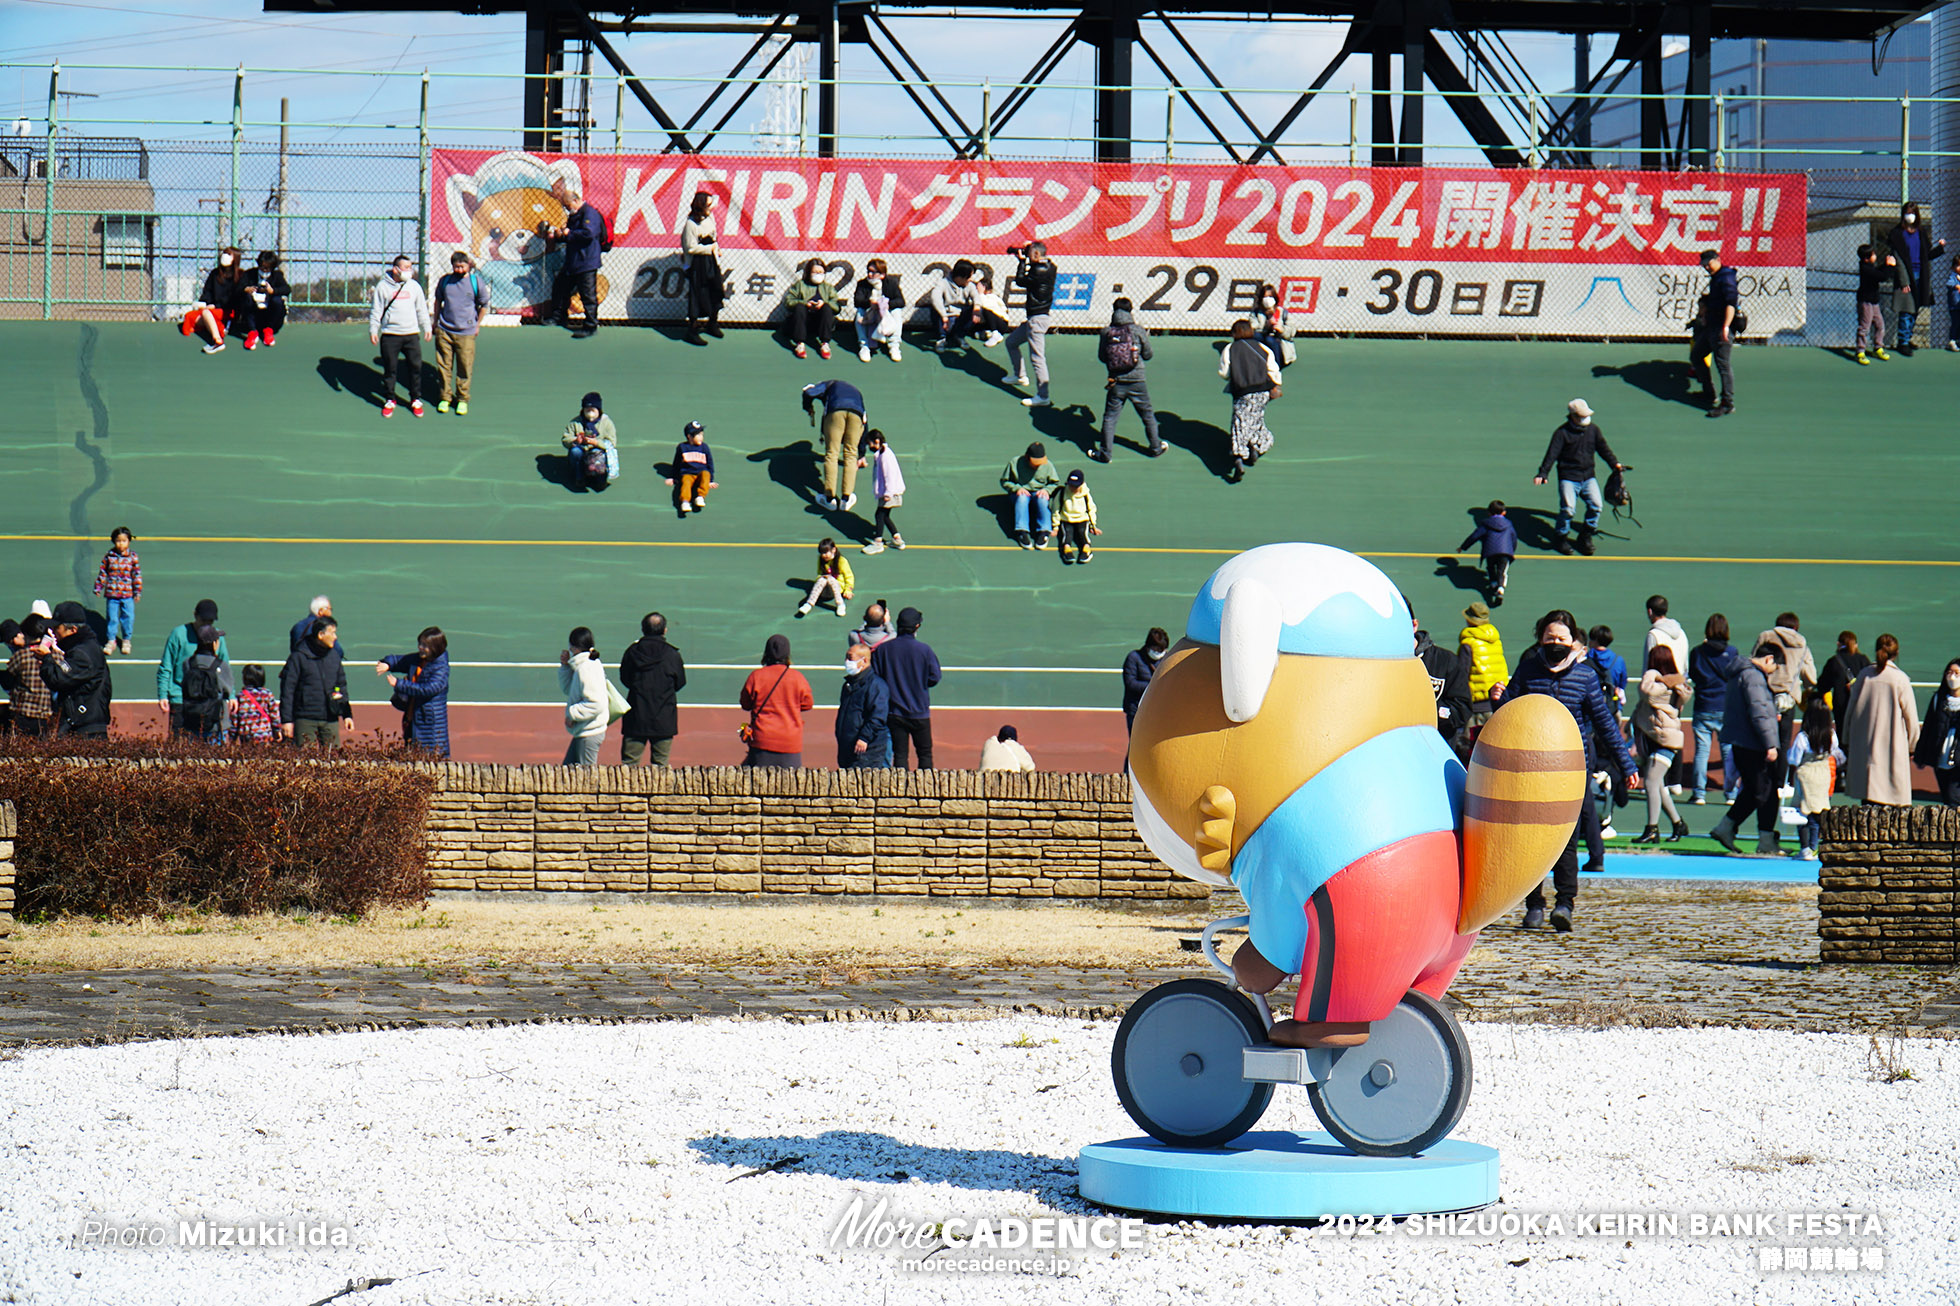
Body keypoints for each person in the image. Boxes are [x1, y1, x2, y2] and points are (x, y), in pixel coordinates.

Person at [1496, 609, 1638, 931]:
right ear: (1540, 639)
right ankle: (1534, 905)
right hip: (1531, 771)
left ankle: (1564, 904)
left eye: (1561, 639)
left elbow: (1605, 724)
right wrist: (1498, 699)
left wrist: (1626, 763)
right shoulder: (1529, 669)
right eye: (1549, 638)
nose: (1555, 643)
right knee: (1530, 842)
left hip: (1571, 774)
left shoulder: (1585, 675)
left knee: (1566, 842)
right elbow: (1509, 711)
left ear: (1573, 640)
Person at [1709, 641, 1784, 854]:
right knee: (1766, 792)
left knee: (1754, 790)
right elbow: (1759, 712)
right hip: (1753, 743)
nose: (1774, 672)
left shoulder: (1740, 673)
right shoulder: (1754, 678)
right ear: (1769, 659)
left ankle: (1727, 827)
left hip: (1742, 741)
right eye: (1775, 666)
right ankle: (1765, 839)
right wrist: (1770, 743)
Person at [1534, 398, 1623, 556]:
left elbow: (1603, 449)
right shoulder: (1561, 433)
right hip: (1568, 477)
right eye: (1581, 416)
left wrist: (1614, 464)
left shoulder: (1593, 430)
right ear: (1573, 416)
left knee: (1596, 506)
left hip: (1588, 476)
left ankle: (1585, 536)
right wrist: (1543, 473)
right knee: (1568, 510)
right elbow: (1551, 455)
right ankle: (1560, 538)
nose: (1585, 419)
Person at [1842, 633, 1920, 807]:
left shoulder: (1864, 675)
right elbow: (1911, 719)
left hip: (1864, 746)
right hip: (1893, 748)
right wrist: (1913, 745)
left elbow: (1851, 709)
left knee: (1868, 800)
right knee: (1892, 803)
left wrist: (1847, 737)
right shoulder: (1900, 679)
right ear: (1896, 652)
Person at [1630, 645, 1690, 844]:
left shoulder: (1664, 688)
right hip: (1656, 738)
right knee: (1659, 786)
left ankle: (1652, 828)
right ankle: (1678, 823)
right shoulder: (1668, 684)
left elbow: (1646, 692)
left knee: (1650, 782)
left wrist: (1651, 673)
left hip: (1666, 740)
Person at [872, 606, 940, 770]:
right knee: (925, 755)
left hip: (894, 713)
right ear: (916, 627)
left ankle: (901, 791)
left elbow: (876, 679)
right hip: (920, 713)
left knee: (900, 755)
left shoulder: (883, 650)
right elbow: (935, 677)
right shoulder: (925, 650)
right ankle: (926, 791)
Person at [1095, 297, 1161, 461]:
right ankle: (1155, 448)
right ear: (1130, 311)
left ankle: (1105, 453)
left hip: (1116, 382)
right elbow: (1148, 354)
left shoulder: (1106, 332)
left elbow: (1102, 357)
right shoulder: (1138, 330)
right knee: (1147, 415)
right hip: (1138, 381)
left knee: (1110, 418)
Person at [1688, 614, 1744, 805]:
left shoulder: (1697, 652)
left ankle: (1699, 794)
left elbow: (1694, 675)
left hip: (1703, 705)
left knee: (1701, 751)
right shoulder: (1732, 652)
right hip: (1725, 707)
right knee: (1728, 752)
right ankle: (1730, 794)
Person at [368, 254, 433, 418]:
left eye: (411, 267)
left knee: (415, 367)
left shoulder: (414, 286)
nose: (409, 271)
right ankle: (390, 399)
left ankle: (415, 399)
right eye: (406, 267)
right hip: (390, 335)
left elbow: (421, 309)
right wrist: (373, 330)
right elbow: (376, 310)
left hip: (411, 334)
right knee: (390, 369)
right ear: (396, 269)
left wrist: (427, 327)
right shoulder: (383, 286)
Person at [618, 612, 685, 767]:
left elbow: (625, 679)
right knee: (661, 768)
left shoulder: (632, 652)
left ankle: (626, 791)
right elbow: (680, 682)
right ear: (665, 630)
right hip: (664, 719)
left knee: (628, 766)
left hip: (635, 718)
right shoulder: (672, 655)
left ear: (643, 629)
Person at [1218, 320, 1281, 483]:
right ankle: (1257, 446)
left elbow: (1223, 373)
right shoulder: (1262, 348)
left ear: (1234, 333)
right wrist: (1276, 387)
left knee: (1239, 423)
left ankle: (1239, 456)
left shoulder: (1230, 349)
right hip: (1263, 392)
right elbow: (1273, 369)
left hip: (1242, 392)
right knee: (1256, 419)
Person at [37, 601, 111, 738]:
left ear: (73, 630)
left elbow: (58, 678)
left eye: (56, 627)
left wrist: (47, 658)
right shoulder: (84, 649)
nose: (52, 632)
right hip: (83, 723)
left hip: (85, 727)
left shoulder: (82, 654)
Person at [740, 635, 814, 769]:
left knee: (759, 785)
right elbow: (807, 704)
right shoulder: (798, 678)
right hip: (790, 742)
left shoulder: (756, 676)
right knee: (791, 785)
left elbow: (745, 704)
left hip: (762, 740)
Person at [547, 175, 607, 338]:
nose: (568, 209)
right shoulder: (575, 215)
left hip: (586, 261)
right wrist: (560, 235)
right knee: (561, 287)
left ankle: (590, 325)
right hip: (573, 260)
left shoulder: (589, 213)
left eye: (568, 206)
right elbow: (570, 235)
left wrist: (570, 233)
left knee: (587, 294)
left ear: (575, 201)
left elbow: (589, 234)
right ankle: (558, 317)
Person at [432, 249, 491, 415]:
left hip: (466, 332)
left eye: (462, 266)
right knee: (444, 366)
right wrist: (435, 322)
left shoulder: (476, 282)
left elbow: (484, 305)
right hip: (444, 330)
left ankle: (462, 399)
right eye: (455, 266)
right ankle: (445, 397)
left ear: (468, 265)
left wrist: (477, 324)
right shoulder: (445, 281)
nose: (458, 270)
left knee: (464, 366)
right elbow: (438, 301)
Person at [160, 599, 230, 737]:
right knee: (179, 746)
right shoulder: (178, 635)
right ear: (195, 615)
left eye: (210, 621)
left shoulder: (217, 637)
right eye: (203, 620)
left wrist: (231, 696)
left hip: (210, 703)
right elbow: (166, 667)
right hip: (181, 701)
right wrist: (163, 694)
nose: (206, 624)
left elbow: (225, 667)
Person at [1883, 200, 1946, 355]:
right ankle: (1902, 341)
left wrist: (1940, 248)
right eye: (1907, 213)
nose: (1909, 216)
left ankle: (1908, 336)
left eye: (1912, 213)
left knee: (1915, 308)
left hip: (1921, 275)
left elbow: (1927, 255)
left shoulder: (1921, 233)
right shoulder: (1897, 234)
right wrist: (1904, 281)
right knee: (1906, 309)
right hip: (1906, 276)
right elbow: (1898, 260)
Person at [378, 626, 450, 756]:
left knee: (432, 760)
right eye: (420, 643)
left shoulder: (441, 669)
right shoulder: (419, 659)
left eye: (425, 645)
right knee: (411, 755)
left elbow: (427, 689)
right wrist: (387, 664)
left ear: (435, 647)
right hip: (413, 719)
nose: (420, 647)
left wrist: (399, 684)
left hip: (429, 724)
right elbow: (400, 660)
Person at [1756, 611, 1818, 762]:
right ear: (1796, 628)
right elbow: (1810, 676)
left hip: (1764, 696)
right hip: (1788, 698)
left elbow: (1754, 662)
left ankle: (1762, 780)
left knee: (1761, 740)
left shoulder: (1765, 637)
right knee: (1784, 743)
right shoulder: (1802, 644)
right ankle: (1779, 782)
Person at [1411, 606, 1471, 760]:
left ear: (1414, 625)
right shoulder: (1378, 661)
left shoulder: (1446, 661)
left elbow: (1462, 709)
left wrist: (1431, 711)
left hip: (1435, 755)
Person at [281, 615, 350, 749]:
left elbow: (341, 686)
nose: (335, 637)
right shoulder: (298, 657)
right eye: (332, 633)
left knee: (334, 761)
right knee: (307, 762)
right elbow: (288, 689)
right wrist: (287, 720)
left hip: (330, 719)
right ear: (320, 634)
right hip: (305, 719)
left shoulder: (334, 657)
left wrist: (347, 714)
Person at [1790, 693, 1843, 859]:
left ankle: (1805, 848)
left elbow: (1793, 759)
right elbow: (1838, 756)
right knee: (1818, 811)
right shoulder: (1831, 736)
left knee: (1803, 810)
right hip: (1823, 774)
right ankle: (1814, 846)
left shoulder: (1803, 737)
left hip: (1806, 774)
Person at [801, 378, 867, 511]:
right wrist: (861, 455)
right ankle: (846, 500)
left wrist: (808, 407)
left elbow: (809, 393)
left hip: (836, 411)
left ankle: (829, 499)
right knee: (850, 454)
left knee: (832, 453)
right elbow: (865, 423)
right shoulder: (855, 391)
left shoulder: (828, 384)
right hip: (857, 415)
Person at [1005, 242, 1056, 408]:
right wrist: (1031, 249)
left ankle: (1043, 396)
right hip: (1035, 319)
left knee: (1037, 359)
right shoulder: (1051, 266)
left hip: (1037, 320)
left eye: (1029, 253)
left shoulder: (1037, 270)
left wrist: (1021, 262)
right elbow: (1038, 256)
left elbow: (1020, 281)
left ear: (1034, 255)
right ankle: (1019, 376)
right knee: (1011, 342)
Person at [1691, 248, 1738, 415]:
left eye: (1708, 264)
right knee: (1696, 355)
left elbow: (1731, 304)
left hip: (1721, 329)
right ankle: (1708, 393)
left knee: (1723, 365)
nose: (1706, 268)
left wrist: (1725, 327)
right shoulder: (1717, 277)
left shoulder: (1726, 278)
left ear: (1718, 259)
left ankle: (1727, 404)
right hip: (1711, 328)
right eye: (1704, 265)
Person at [835, 640, 891, 769]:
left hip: (867, 750)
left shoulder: (876, 685)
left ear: (864, 660)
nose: (847, 661)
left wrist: (864, 738)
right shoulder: (849, 685)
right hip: (847, 746)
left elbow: (878, 716)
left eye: (850, 658)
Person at [558, 626, 609, 766]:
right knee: (567, 773)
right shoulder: (586, 665)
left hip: (589, 733)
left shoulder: (586, 668)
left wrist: (572, 714)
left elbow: (596, 704)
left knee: (586, 780)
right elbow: (569, 689)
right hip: (584, 731)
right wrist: (565, 667)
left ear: (574, 648)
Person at [680, 191, 726, 341]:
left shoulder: (710, 218)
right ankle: (692, 331)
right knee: (698, 294)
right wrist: (709, 249)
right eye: (709, 204)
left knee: (716, 289)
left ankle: (712, 323)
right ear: (702, 205)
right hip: (698, 266)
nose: (712, 206)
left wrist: (716, 248)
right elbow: (690, 248)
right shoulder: (691, 225)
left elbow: (714, 237)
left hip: (711, 262)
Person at [1000, 440, 1061, 550]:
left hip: (1039, 492)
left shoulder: (1048, 465)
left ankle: (1044, 531)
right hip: (1021, 493)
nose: (1038, 465)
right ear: (1027, 457)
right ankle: (1022, 531)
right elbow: (1005, 481)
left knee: (1043, 500)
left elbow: (1055, 483)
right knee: (1022, 499)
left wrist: (1046, 490)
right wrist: (1017, 488)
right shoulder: (1014, 463)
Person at [1914, 659, 1960, 804]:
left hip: (1958, 761)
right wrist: (1920, 756)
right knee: (1947, 797)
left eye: (1957, 673)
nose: (1952, 677)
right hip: (1941, 760)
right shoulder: (1938, 700)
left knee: (1954, 797)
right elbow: (1928, 728)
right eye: (1949, 672)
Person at [179, 623, 232, 743]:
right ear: (213, 643)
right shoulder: (221, 665)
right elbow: (227, 690)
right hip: (216, 723)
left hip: (191, 720)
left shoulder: (188, 663)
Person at [184, 246, 243, 354]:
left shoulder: (240, 275)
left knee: (206, 313)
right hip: (212, 311)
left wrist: (216, 306)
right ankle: (218, 328)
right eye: (224, 253)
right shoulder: (215, 273)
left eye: (229, 254)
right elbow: (207, 292)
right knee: (190, 316)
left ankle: (218, 341)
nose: (224, 256)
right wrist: (204, 303)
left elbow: (235, 297)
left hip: (228, 311)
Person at [92, 526, 140, 655]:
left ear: (129, 541)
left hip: (127, 595)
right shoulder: (109, 556)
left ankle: (126, 640)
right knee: (112, 618)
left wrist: (137, 591)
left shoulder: (133, 557)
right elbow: (103, 573)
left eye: (124, 541)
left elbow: (136, 575)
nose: (121, 544)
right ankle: (111, 640)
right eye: (118, 541)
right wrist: (98, 587)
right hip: (112, 595)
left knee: (127, 618)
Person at [781, 258, 841, 360]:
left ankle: (825, 344)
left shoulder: (828, 287)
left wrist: (824, 304)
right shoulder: (800, 285)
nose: (818, 274)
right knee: (799, 307)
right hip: (803, 321)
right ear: (809, 272)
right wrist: (805, 303)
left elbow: (837, 306)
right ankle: (800, 344)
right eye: (815, 272)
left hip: (821, 322)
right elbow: (788, 302)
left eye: (821, 272)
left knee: (827, 307)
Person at [1457, 602, 1506, 726]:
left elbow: (1461, 675)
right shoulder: (1495, 640)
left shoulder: (1468, 644)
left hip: (1475, 706)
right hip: (1495, 702)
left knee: (1469, 744)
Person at [1457, 501, 1516, 603]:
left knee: (1490, 567)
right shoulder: (1509, 525)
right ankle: (1500, 589)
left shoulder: (1486, 524)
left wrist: (1463, 547)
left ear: (1489, 513)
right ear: (1504, 513)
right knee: (1502, 571)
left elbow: (1474, 536)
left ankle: (1493, 584)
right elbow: (1513, 539)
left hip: (1490, 551)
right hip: (1505, 552)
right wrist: (1511, 551)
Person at [858, 429, 906, 555]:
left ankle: (878, 542)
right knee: (885, 516)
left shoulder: (885, 456)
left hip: (889, 493)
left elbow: (889, 475)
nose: (870, 447)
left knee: (879, 515)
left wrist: (887, 493)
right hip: (889, 492)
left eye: (870, 444)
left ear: (877, 441)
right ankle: (897, 539)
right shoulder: (882, 454)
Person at [1819, 630, 1871, 741]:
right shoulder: (1864, 660)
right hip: (1861, 705)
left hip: (1842, 707)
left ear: (1838, 644)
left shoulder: (1834, 662)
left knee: (1843, 739)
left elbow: (1823, 685)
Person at [6, 616, 53, 737]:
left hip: (23, 712)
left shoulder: (21, 656)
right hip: (45, 714)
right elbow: (67, 669)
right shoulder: (56, 657)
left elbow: (9, 676)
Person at [561, 391, 619, 490]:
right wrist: (575, 440)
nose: (590, 414)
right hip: (582, 449)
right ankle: (580, 477)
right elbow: (565, 438)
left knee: (598, 457)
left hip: (597, 451)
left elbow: (612, 442)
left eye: (593, 410)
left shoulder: (607, 423)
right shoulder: (575, 422)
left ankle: (600, 480)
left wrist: (597, 443)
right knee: (575, 452)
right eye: (587, 410)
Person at [851, 258, 905, 362]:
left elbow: (901, 301)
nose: (870, 274)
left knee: (897, 312)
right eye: (868, 271)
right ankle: (864, 346)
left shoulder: (891, 283)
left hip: (885, 313)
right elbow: (857, 301)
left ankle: (894, 345)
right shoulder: (862, 284)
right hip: (869, 313)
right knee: (859, 312)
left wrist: (886, 305)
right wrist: (870, 303)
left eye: (873, 272)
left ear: (882, 274)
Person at [1853, 243, 1897, 364]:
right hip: (1866, 302)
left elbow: (1878, 272)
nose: (1875, 256)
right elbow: (1882, 277)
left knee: (1880, 324)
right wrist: (1891, 267)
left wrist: (1885, 265)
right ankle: (1860, 351)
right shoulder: (1865, 268)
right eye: (1873, 254)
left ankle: (1878, 347)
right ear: (1866, 258)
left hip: (1874, 302)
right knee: (1865, 327)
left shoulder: (1869, 266)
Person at [238, 250, 289, 351]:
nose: (264, 270)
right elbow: (237, 288)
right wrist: (245, 289)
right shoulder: (249, 274)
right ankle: (252, 332)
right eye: (262, 267)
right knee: (245, 298)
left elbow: (287, 289)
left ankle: (268, 331)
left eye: (267, 268)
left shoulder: (277, 276)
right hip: (253, 313)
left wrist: (273, 291)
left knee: (277, 300)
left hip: (269, 314)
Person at [1122, 627, 1169, 735]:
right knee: (1137, 745)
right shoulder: (1134, 658)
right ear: (1149, 646)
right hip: (1136, 709)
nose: (1159, 653)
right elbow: (1130, 683)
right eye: (1157, 649)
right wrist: (1153, 687)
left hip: (1159, 710)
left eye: (1162, 650)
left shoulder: (1167, 658)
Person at [665, 420, 716, 516]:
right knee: (686, 483)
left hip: (701, 472)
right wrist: (674, 477)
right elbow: (676, 463)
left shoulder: (704, 447)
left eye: (702, 434)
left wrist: (711, 480)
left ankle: (700, 497)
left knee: (706, 475)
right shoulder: (682, 447)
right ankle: (685, 502)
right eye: (699, 435)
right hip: (688, 473)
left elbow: (710, 463)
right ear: (689, 437)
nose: (702, 437)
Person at [927, 259, 978, 351]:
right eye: (969, 277)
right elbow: (935, 297)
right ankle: (941, 338)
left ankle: (959, 336)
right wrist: (944, 316)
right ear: (961, 277)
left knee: (976, 308)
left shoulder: (970, 285)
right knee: (934, 308)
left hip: (960, 318)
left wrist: (977, 309)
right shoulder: (943, 283)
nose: (971, 279)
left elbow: (977, 297)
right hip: (945, 319)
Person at [798, 538, 855, 618]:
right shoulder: (821, 560)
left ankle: (840, 604)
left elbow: (849, 576)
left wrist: (848, 590)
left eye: (825, 552)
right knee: (822, 579)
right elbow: (819, 574)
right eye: (822, 553)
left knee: (831, 579)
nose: (823, 555)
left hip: (836, 589)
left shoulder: (841, 561)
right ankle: (809, 604)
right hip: (823, 590)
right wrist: (821, 578)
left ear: (834, 550)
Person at [1054, 468, 1100, 565]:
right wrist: (1055, 526)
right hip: (1066, 519)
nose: (1073, 488)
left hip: (1082, 519)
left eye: (1076, 486)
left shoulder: (1086, 494)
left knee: (1082, 534)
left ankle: (1086, 551)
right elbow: (1056, 509)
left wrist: (1093, 525)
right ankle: (1067, 552)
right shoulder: (1062, 493)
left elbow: (1091, 508)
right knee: (1067, 536)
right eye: (1071, 485)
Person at [227, 664, 279, 744]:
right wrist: (277, 730)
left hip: (246, 735)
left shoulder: (241, 696)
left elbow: (235, 720)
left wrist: (232, 736)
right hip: (264, 734)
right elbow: (274, 715)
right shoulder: (267, 694)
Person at [1643, 595, 1690, 680]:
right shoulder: (1681, 632)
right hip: (1679, 684)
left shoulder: (1653, 634)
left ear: (1650, 611)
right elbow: (1686, 665)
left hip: (1660, 686)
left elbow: (1648, 666)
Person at [1249, 283, 1295, 368]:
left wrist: (1282, 330)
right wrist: (1267, 325)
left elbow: (1292, 332)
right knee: (1256, 336)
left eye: (1270, 297)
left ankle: (1276, 365)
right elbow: (1252, 328)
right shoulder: (1255, 313)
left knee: (1270, 340)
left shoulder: (1283, 313)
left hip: (1280, 343)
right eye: (1265, 297)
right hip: (1263, 338)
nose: (1267, 300)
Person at [972, 275, 1012, 343]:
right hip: (986, 324)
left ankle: (995, 333)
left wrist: (981, 293)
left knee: (987, 311)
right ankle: (987, 333)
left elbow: (985, 305)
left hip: (1000, 324)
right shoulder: (978, 298)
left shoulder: (992, 297)